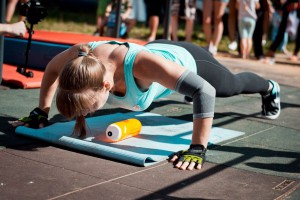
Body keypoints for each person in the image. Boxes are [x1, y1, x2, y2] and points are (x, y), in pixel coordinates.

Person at [12, 39, 281, 171]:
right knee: (187, 92)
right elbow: (50, 69)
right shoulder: (80, 58)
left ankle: (269, 87)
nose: (88, 114)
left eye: (89, 109)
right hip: (158, 58)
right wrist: (41, 111)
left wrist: (197, 148)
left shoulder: (140, 66)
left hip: (190, 60)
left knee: (229, 86)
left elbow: (204, 90)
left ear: (106, 86)